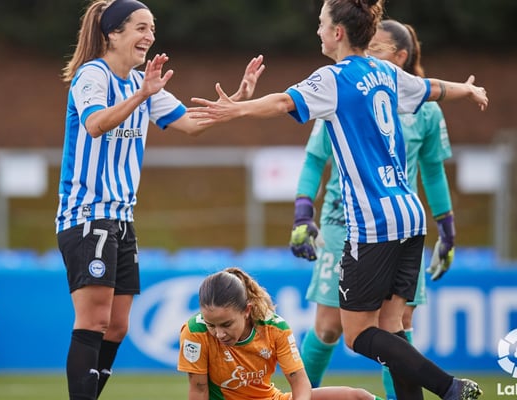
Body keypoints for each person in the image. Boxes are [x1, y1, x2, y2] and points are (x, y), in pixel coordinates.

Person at [186, 0, 487, 398]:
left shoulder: (333, 78)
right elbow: (433, 89)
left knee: (357, 334)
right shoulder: (385, 72)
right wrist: (468, 89)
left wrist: (235, 110)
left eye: (321, 23)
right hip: (410, 215)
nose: (318, 31)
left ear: (338, 32)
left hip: (372, 221)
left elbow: (282, 102)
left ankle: (449, 386)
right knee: (392, 328)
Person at [54, 1, 265, 399]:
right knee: (94, 320)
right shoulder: (93, 75)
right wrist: (142, 95)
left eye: (152, 28)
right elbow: (95, 124)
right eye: (140, 27)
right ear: (112, 34)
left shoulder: (142, 83)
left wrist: (237, 102)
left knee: (117, 326)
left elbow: (191, 124)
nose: (149, 36)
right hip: (87, 214)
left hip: (121, 218)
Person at [290, 20, 456, 400]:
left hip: (397, 222)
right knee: (329, 325)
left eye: (377, 49)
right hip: (345, 220)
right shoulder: (343, 88)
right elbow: (315, 158)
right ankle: (300, 396)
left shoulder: (425, 110)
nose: (368, 54)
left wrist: (447, 229)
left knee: (397, 322)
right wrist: (303, 212)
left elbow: (432, 171)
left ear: (400, 57)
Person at [177, 267, 383, 400]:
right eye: (212, 325)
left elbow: (299, 382)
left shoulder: (275, 328)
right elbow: (199, 390)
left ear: (246, 311)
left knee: (358, 397)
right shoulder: (195, 332)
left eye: (226, 324)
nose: (219, 334)